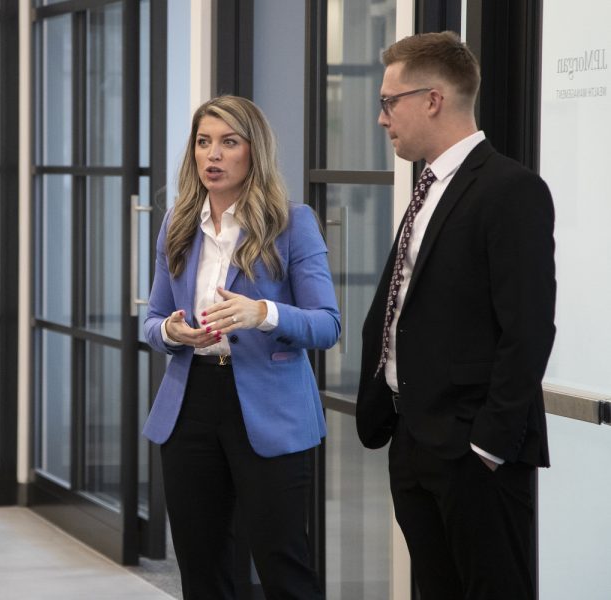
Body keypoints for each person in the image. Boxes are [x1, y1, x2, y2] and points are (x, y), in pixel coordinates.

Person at [355, 32, 556, 600]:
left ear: (432, 100)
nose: (381, 118)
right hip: (413, 441)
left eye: (389, 101)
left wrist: (488, 446)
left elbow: (529, 329)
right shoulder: (428, 188)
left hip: (474, 452)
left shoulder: (510, 189)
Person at [143, 95, 340, 599]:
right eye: (203, 143)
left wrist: (263, 314)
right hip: (191, 405)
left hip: (269, 407)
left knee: (283, 566)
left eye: (229, 143)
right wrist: (173, 332)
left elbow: (327, 325)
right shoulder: (178, 224)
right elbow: (152, 319)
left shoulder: (293, 223)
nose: (213, 155)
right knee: (202, 569)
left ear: (255, 153)